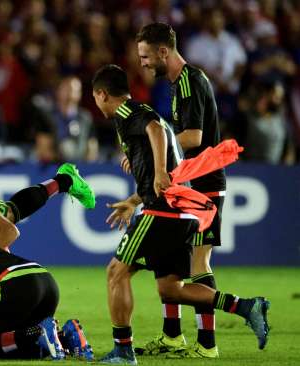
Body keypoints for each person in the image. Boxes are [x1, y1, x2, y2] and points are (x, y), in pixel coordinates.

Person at [91, 64, 269, 365]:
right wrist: (136, 198)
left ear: (102, 94)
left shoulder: (128, 114)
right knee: (171, 289)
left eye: (95, 98)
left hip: (164, 211)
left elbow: (157, 131)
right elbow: (161, 149)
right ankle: (246, 307)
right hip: (180, 211)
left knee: (115, 273)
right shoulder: (143, 110)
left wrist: (159, 171)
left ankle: (123, 351)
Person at [135, 22, 230, 358]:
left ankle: (208, 345)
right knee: (172, 262)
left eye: (146, 56)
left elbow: (194, 137)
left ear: (163, 51)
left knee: (200, 264)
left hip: (206, 187)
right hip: (190, 184)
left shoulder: (189, 81)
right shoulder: (179, 83)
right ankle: (173, 336)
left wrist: (151, 151)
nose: (143, 63)